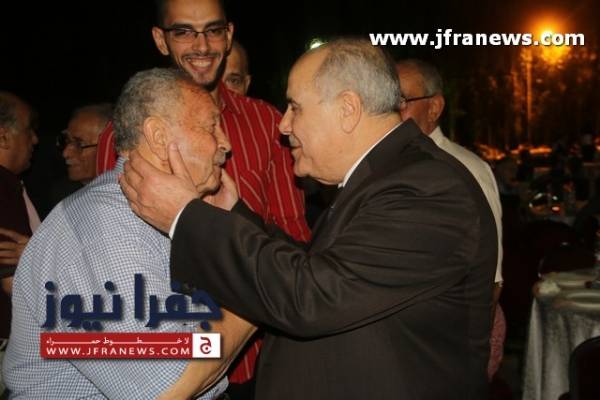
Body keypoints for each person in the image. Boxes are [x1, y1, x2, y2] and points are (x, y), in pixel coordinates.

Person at [121, 38, 497, 399]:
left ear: (347, 109)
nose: (283, 125)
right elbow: (322, 269)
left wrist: (185, 216)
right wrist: (234, 213)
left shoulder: (427, 189)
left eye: (295, 107)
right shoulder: (384, 178)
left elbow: (311, 296)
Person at [3, 69, 255, 399]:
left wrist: (219, 228)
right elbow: (167, 384)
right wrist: (254, 293)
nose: (226, 143)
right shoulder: (105, 228)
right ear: (159, 136)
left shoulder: (157, 214)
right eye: (211, 127)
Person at [96, 4, 310, 390]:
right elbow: (109, 247)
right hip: (168, 359)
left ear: (229, 36)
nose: (202, 45)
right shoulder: (121, 135)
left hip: (263, 357)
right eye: (184, 32)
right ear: (160, 40)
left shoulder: (266, 122)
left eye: (212, 31)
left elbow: (292, 235)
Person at [396, 58, 505, 378]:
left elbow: (491, 279)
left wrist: (467, 353)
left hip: (456, 339)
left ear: (434, 107)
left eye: (401, 101)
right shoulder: (390, 164)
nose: (390, 112)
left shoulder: (464, 170)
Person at [0, 92, 40, 396]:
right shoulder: (2, 186)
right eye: (28, 130)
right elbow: (13, 281)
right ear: (3, 136)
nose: (35, 139)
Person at [58, 104, 112, 184]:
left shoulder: (124, 190)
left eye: (79, 144)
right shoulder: (60, 189)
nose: (65, 154)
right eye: (66, 141)